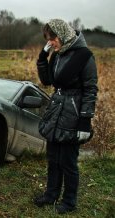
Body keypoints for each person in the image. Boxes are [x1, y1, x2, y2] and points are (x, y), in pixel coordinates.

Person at [34, 19, 98, 214]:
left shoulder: (85, 56)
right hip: (56, 111)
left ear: (62, 35)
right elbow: (47, 81)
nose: (51, 42)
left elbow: (90, 90)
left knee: (68, 161)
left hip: (73, 112)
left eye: (52, 38)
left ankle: (69, 202)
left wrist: (84, 122)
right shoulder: (58, 54)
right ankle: (51, 195)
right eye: (48, 39)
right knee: (53, 158)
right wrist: (43, 56)